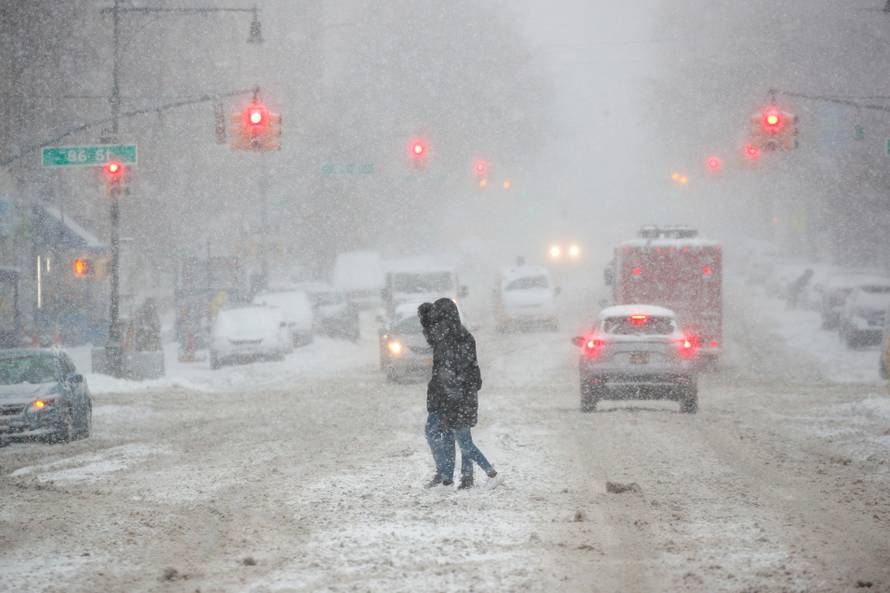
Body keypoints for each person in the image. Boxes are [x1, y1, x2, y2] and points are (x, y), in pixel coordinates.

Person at [427, 297, 497, 490]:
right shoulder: (450, 337)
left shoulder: (460, 338)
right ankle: (463, 478)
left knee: (464, 440)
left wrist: (454, 392)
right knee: (461, 438)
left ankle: (489, 473)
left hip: (460, 398)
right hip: (454, 397)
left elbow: (466, 371)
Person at [419, 302, 459, 487]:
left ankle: (445, 474)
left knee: (438, 433)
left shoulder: (445, 339)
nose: (425, 335)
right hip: (440, 394)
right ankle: (445, 473)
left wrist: (446, 395)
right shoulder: (444, 337)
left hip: (444, 396)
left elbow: (449, 372)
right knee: (441, 433)